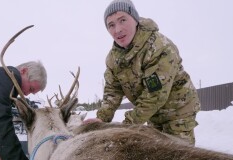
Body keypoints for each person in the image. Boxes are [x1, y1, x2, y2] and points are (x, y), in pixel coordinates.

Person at [84, 0, 201, 145]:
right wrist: (102, 118)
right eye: (111, 25)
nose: (117, 30)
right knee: (155, 155)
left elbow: (155, 94)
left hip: (178, 111)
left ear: (135, 19)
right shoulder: (113, 58)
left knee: (179, 158)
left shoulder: (158, 47)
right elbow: (113, 90)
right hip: (152, 114)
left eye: (122, 20)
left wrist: (127, 125)